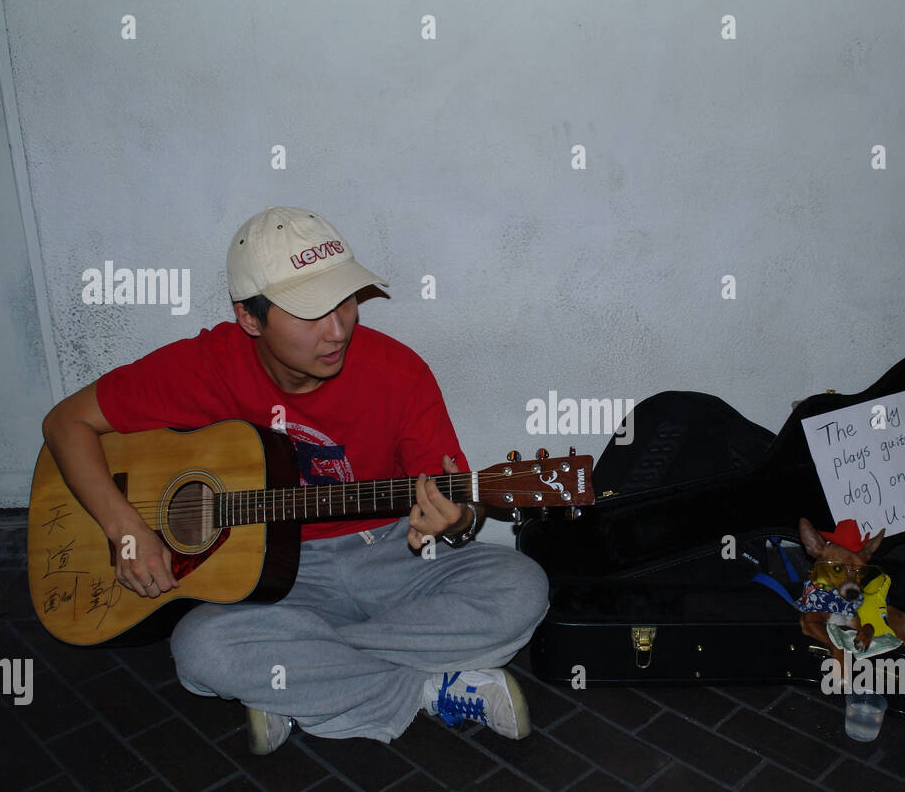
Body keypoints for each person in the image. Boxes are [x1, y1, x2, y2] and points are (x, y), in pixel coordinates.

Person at [40, 205, 550, 754]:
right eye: (310, 313)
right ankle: (427, 689)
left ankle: (295, 683)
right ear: (249, 317)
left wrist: (460, 519)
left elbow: (455, 503)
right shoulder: (205, 366)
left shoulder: (398, 373)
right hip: (275, 583)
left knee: (521, 586)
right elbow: (65, 422)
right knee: (203, 649)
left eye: (346, 301)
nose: (337, 330)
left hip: (392, 556)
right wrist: (125, 527)